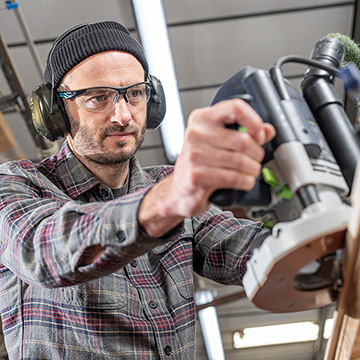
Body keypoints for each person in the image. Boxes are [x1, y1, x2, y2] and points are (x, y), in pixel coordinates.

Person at [0, 21, 275, 359]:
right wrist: (168, 201)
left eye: (135, 93)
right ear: (56, 112)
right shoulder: (17, 184)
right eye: (98, 98)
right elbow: (41, 251)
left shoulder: (169, 183)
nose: (122, 115)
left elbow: (252, 251)